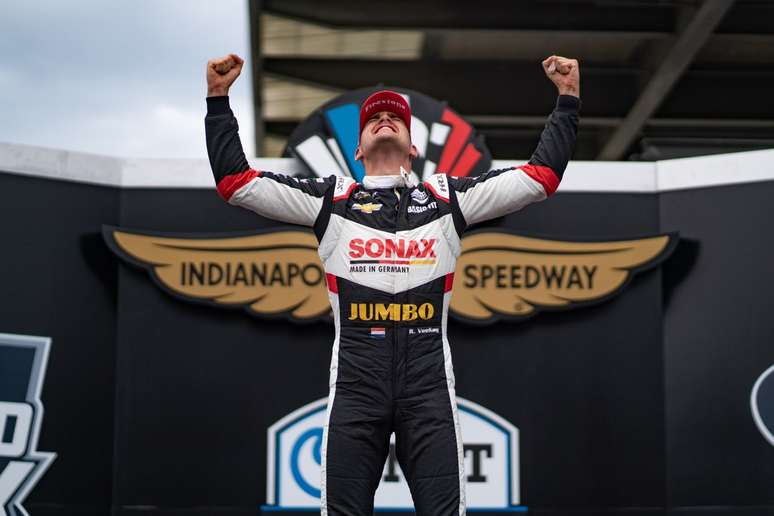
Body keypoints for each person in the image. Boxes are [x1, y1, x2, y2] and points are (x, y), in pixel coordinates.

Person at [205, 53, 580, 516]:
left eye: (395, 118)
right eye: (374, 118)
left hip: (428, 391)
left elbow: (541, 177)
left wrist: (567, 99)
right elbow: (235, 183)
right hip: (356, 389)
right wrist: (218, 99)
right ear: (358, 149)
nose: (385, 120)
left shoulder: (447, 198)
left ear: (412, 146)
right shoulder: (331, 200)